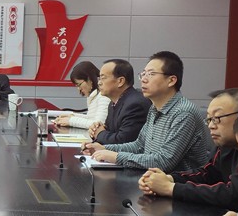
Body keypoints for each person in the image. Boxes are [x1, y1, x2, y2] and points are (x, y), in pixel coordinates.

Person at [138, 88, 238, 210]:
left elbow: (234, 194)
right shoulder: (226, 146)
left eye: (217, 118)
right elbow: (208, 173)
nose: (211, 126)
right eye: (209, 119)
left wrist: (171, 188)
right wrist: (169, 179)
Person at [83, 51, 211, 173]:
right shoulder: (154, 109)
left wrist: (116, 157)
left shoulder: (183, 113)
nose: (143, 79)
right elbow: (139, 146)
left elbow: (164, 161)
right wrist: (104, 148)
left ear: (171, 80)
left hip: (178, 184)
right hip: (151, 179)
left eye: (151, 74)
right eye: (143, 74)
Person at [88, 59, 150, 144]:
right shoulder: (113, 102)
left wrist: (99, 134)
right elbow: (109, 132)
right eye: (99, 78)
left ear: (120, 81)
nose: (99, 83)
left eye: (103, 78)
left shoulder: (135, 104)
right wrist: (95, 130)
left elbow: (123, 141)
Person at [54, 61, 108, 129]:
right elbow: (91, 118)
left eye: (79, 84)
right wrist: (71, 116)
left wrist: (71, 121)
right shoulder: (96, 95)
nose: (79, 89)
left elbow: (98, 124)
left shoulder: (104, 96)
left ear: (89, 79)